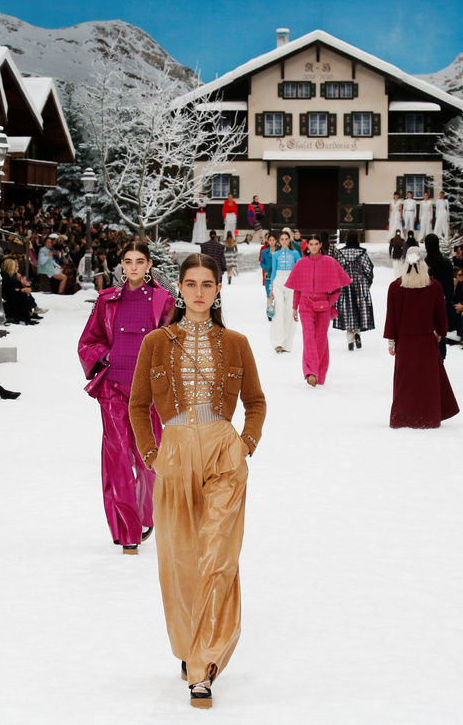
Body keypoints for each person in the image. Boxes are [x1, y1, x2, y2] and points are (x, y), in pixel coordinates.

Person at [129, 253, 266, 710]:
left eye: (208, 284)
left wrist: (245, 443)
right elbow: (137, 404)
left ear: (219, 289)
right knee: (181, 560)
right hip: (175, 452)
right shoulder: (156, 342)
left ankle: (204, 665)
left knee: (218, 556)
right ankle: (191, 646)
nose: (200, 292)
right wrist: (151, 454)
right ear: (180, 289)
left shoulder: (236, 342)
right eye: (192, 284)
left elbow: (256, 401)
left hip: (223, 452)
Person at [77, 240, 174, 554]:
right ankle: (126, 532)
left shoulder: (164, 301)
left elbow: (176, 343)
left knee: (149, 458)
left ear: (149, 265)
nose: (133, 267)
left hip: (149, 392)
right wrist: (106, 356)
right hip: (113, 389)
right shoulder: (106, 301)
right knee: (117, 458)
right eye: (128, 261)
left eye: (139, 261)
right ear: (121, 264)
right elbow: (89, 341)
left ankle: (146, 516)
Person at [384, 247, 460, 428]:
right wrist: (440, 332)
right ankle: (428, 416)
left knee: (405, 381)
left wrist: (391, 341)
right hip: (426, 340)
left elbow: (392, 316)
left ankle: (404, 417)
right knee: (427, 380)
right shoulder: (434, 286)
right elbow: (440, 315)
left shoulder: (395, 287)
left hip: (405, 342)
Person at [285, 233, 351, 386]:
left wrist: (329, 302)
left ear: (321, 245)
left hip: (323, 305)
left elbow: (337, 289)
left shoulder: (330, 262)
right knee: (308, 337)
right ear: (307, 246)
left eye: (316, 244)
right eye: (311, 244)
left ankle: (320, 373)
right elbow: (297, 288)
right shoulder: (301, 263)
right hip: (305, 304)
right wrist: (295, 307)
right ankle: (311, 372)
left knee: (321, 339)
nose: (314, 247)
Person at [332, 231, 375, 350]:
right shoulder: (362, 253)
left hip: (345, 284)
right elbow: (368, 268)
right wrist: (367, 282)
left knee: (348, 310)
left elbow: (336, 269)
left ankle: (350, 339)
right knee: (359, 309)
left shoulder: (340, 253)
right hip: (360, 284)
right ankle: (357, 333)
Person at [266, 229, 301, 353]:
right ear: (279, 241)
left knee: (290, 310)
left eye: (286, 239)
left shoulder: (295, 253)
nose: (284, 241)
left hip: (292, 280)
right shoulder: (276, 254)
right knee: (279, 310)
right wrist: (271, 288)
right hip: (278, 281)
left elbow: (300, 268)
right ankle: (278, 342)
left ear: (289, 240)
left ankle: (287, 343)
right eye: (282, 239)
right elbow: (273, 271)